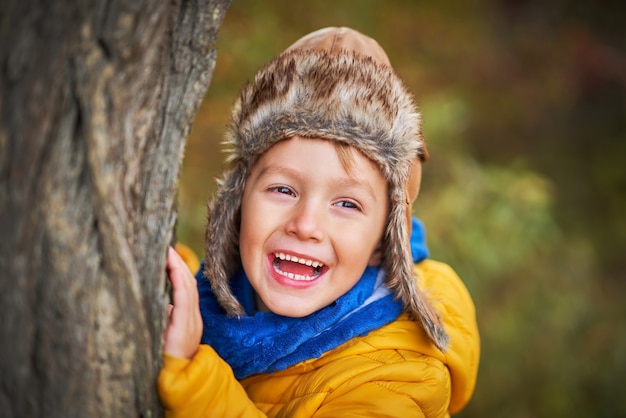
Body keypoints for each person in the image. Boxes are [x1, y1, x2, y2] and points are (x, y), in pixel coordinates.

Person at [158, 26, 480, 417]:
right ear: (237, 202)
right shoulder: (226, 288)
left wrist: (196, 381)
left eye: (346, 203)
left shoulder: (399, 376)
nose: (306, 225)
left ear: (385, 238)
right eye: (283, 190)